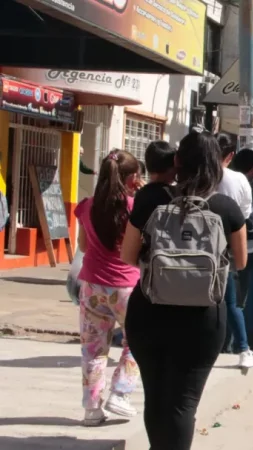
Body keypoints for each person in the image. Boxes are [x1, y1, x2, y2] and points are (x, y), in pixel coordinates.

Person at [120, 130, 248, 450]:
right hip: (203, 318)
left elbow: (127, 255)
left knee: (157, 398)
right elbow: (242, 262)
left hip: (149, 310)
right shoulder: (226, 207)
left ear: (177, 162)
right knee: (183, 403)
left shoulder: (151, 198)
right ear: (218, 165)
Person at [75, 149, 142, 426]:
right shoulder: (134, 207)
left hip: (91, 286)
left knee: (93, 349)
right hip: (126, 286)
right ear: (132, 178)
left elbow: (82, 246)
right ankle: (121, 394)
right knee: (136, 341)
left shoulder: (87, 206)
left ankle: (92, 408)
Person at [213, 133, 253, 368]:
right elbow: (246, 213)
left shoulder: (199, 176)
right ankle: (242, 348)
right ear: (230, 155)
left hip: (195, 246)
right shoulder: (239, 179)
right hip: (227, 246)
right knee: (231, 301)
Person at [229, 148, 253, 334]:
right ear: (251, 168)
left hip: (226, 247)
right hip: (248, 247)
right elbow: (251, 220)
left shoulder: (226, 182)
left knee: (230, 294)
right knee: (246, 295)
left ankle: (230, 338)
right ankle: (247, 335)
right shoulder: (248, 186)